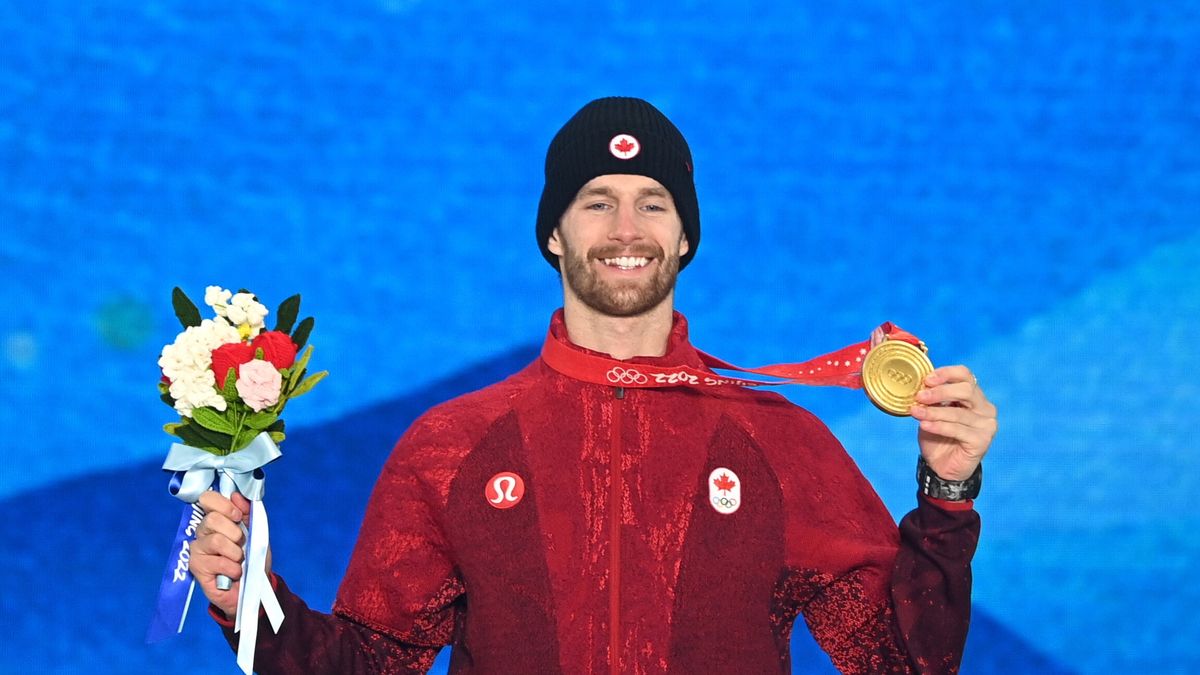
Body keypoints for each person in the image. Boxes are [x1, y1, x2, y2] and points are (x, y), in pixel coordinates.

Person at [191, 97, 997, 674]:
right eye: (596, 202)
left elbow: (902, 660)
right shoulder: (453, 445)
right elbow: (370, 663)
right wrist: (247, 598)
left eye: (653, 204)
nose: (625, 229)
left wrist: (948, 491)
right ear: (553, 231)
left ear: (684, 238)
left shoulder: (776, 440)